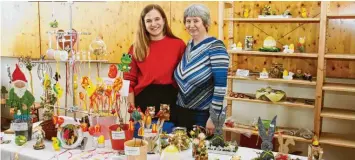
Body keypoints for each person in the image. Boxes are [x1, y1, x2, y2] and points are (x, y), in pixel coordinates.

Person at [124, 4, 186, 135]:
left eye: (157, 19)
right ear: (143, 24)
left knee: (167, 148)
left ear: (164, 20)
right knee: (142, 149)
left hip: (169, 104)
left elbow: (186, 78)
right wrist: (132, 110)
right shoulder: (135, 48)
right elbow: (128, 81)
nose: (154, 24)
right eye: (148, 20)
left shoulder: (179, 45)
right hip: (142, 106)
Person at [174, 4, 229, 134]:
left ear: (205, 23)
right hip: (182, 111)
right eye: (188, 21)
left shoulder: (216, 47)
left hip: (203, 114)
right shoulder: (188, 45)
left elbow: (220, 86)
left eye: (196, 20)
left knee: (200, 153)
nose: (191, 25)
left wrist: (213, 117)